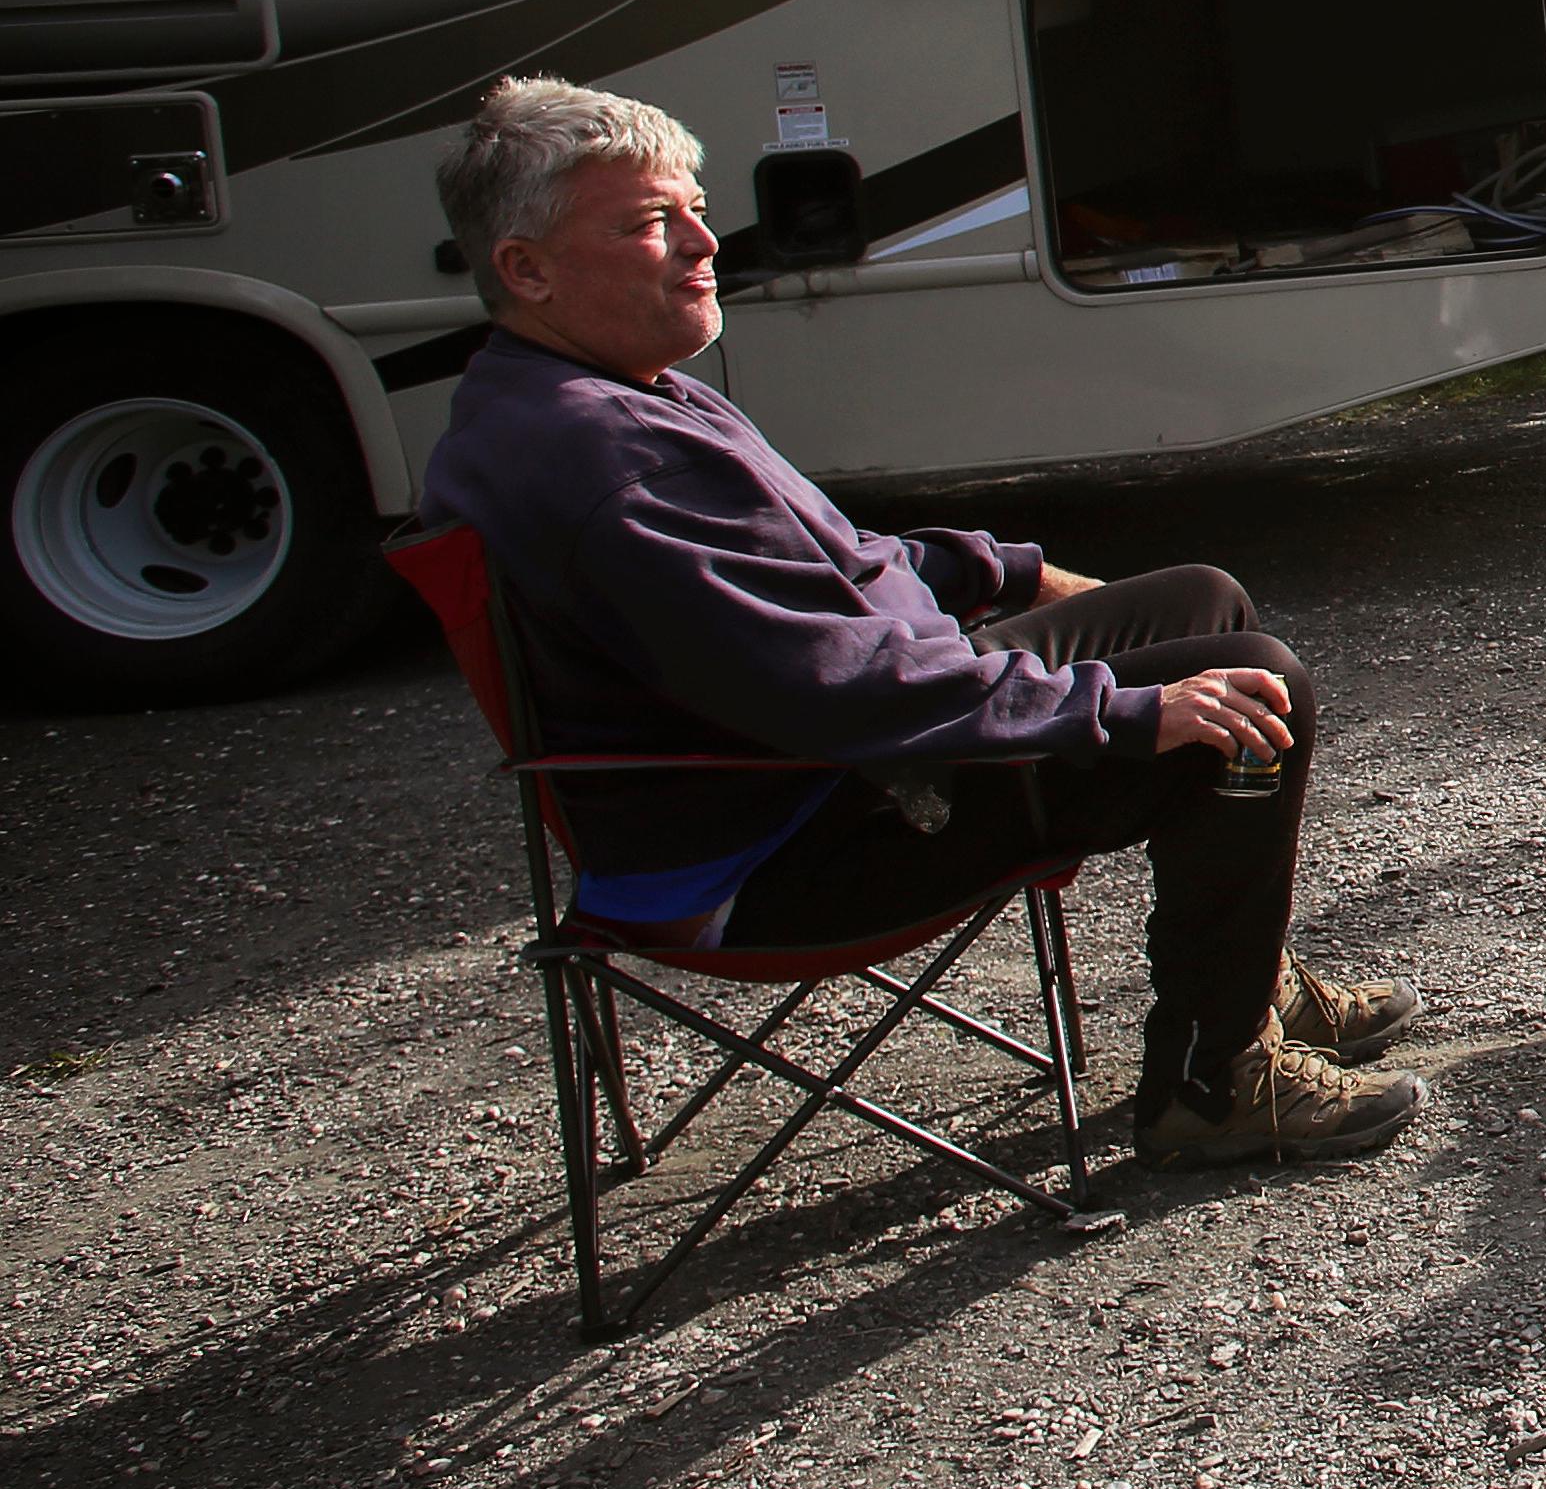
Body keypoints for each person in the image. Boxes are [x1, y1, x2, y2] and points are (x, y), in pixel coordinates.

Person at [413, 75, 1427, 1167]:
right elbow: (836, 683)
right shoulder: (606, 459)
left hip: (832, 759)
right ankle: (1211, 1080)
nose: (705, 240)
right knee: (1258, 689)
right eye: (651, 223)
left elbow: (834, 566)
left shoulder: (603, 391)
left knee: (1200, 597)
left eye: (695, 205)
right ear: (527, 267)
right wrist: (1128, 711)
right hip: (786, 842)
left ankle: (1249, 980)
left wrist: (1012, 571)